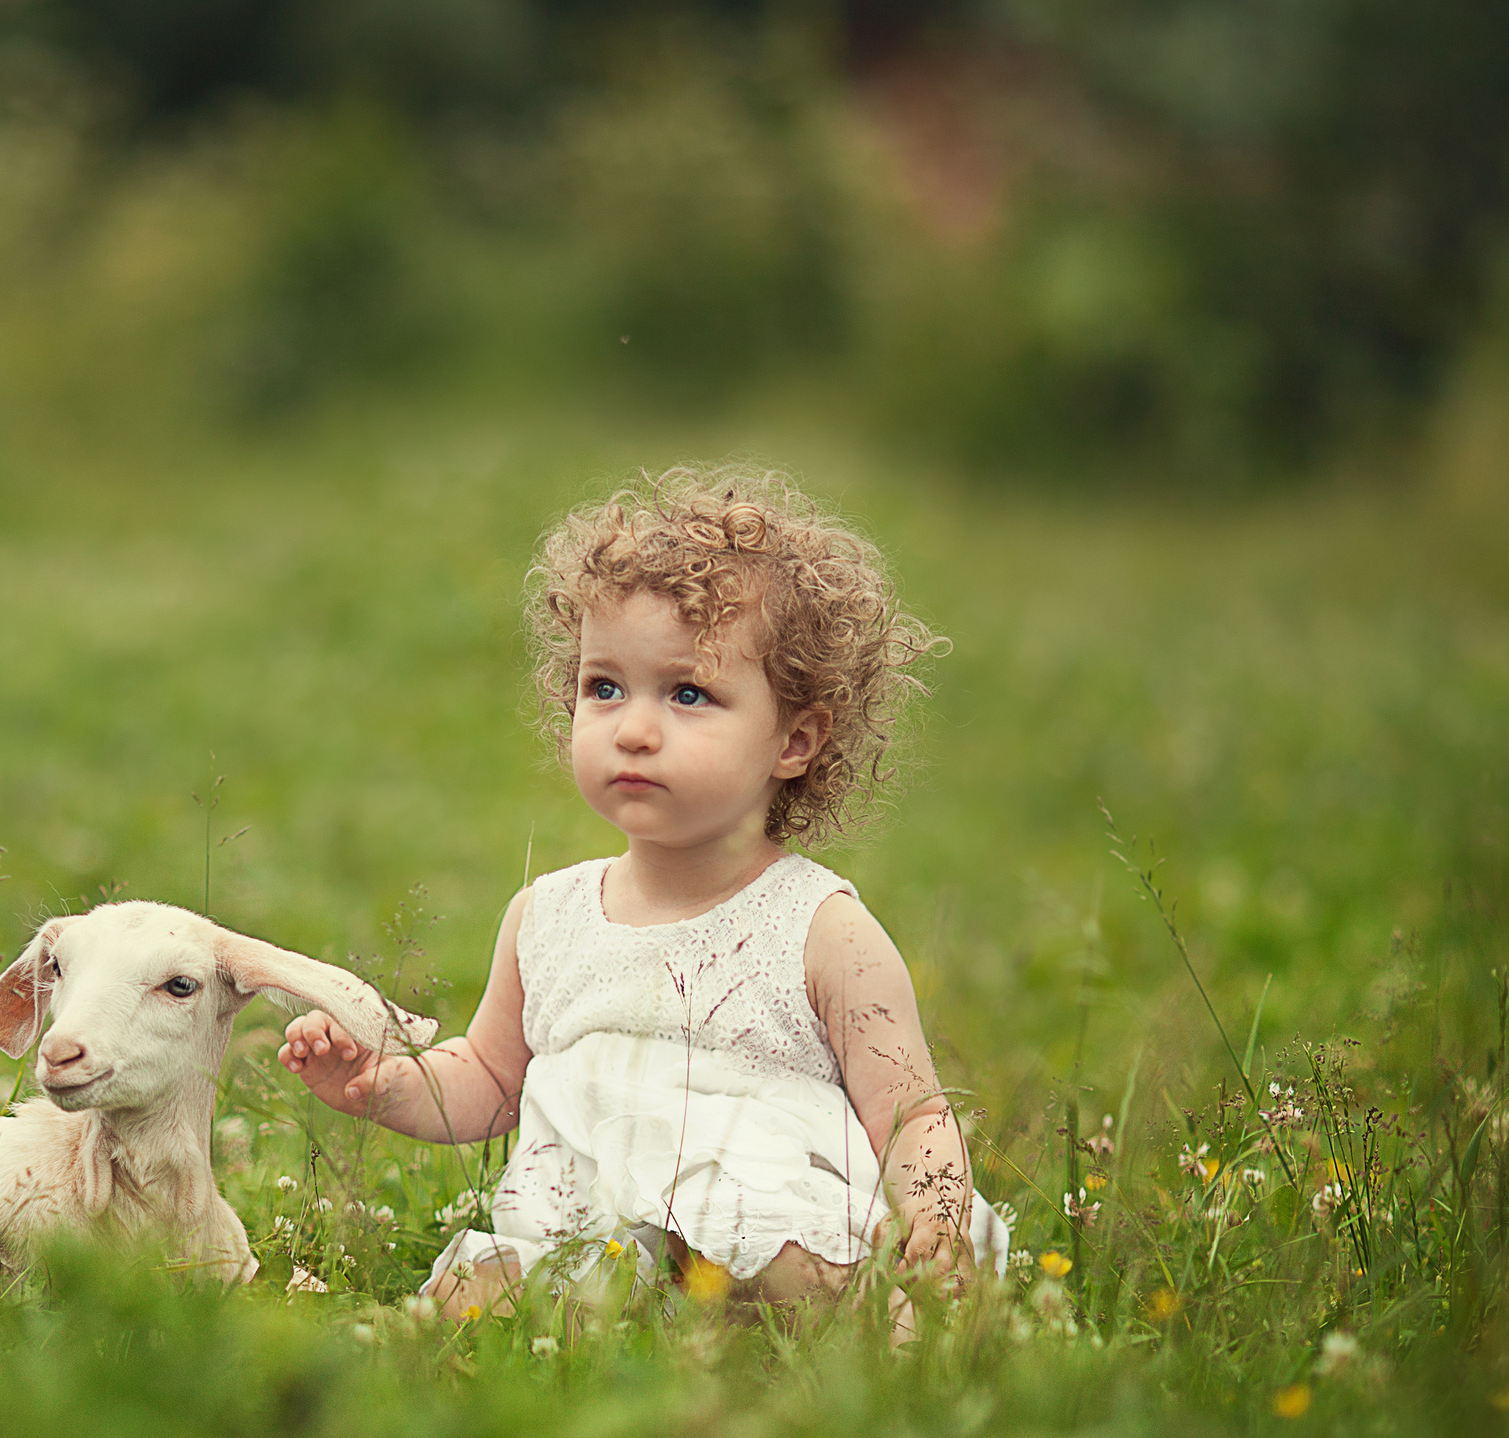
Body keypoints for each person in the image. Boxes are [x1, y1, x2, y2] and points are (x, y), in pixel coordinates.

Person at [279, 464, 1008, 1329]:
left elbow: (910, 1110)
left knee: (796, 1276)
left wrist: (936, 1217)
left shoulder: (821, 930)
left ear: (795, 739)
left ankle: (850, 1323)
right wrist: (380, 1082)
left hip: (768, 1236)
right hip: (591, 1248)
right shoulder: (547, 918)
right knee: (474, 1297)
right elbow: (488, 1079)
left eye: (688, 693)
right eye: (604, 687)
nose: (632, 727)